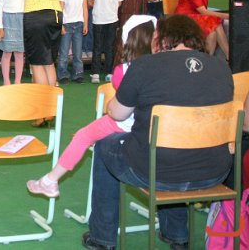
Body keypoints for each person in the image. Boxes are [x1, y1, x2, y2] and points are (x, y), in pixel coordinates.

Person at [83, 15, 233, 250]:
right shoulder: (221, 67)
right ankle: (177, 235)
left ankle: (102, 238)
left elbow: (117, 113)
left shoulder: (144, 66)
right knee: (178, 148)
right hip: (214, 170)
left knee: (106, 145)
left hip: (156, 170)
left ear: (163, 40)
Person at [28, 15, 155, 198]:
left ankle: (50, 180)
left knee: (83, 136)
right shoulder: (164, 69)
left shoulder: (123, 70)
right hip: (154, 127)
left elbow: (119, 109)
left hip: (126, 124)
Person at [89, 0, 124, 84]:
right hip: (98, 21)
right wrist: (100, 9)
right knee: (97, 46)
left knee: (110, 47)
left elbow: (119, 2)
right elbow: (90, 1)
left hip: (112, 20)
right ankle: (95, 72)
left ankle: (109, 72)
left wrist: (110, 10)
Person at [57, 0, 88, 84]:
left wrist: (85, 24)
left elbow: (85, 9)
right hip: (66, 26)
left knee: (78, 53)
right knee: (64, 53)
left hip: (79, 25)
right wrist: (61, 25)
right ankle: (63, 74)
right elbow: (60, 10)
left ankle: (78, 74)